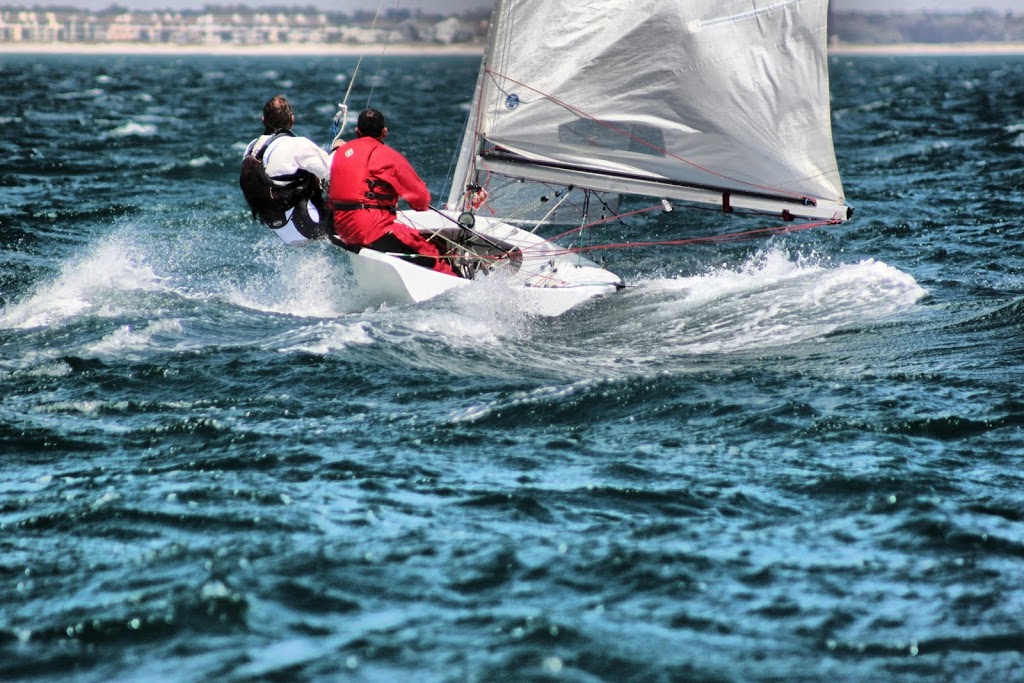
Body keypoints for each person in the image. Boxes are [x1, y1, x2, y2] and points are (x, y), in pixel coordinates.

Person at [327, 108, 456, 276]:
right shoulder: (388, 156)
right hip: (370, 228)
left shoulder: (340, 153)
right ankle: (460, 287)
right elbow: (422, 200)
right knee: (434, 254)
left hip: (340, 228)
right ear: (384, 132)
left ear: (357, 131)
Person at [240, 95, 338, 246]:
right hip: (305, 225)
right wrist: (339, 149)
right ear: (292, 120)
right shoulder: (298, 145)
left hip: (277, 226)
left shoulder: (251, 148)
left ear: (263, 120)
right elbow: (333, 172)